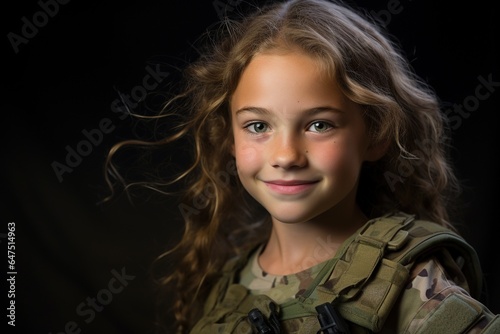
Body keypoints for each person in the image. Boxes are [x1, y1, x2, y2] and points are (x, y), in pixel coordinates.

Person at [103, 0, 500, 333]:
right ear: (230, 138)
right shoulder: (222, 289)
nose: (286, 155)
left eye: (318, 125)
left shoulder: (410, 277)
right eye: (258, 126)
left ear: (375, 135)